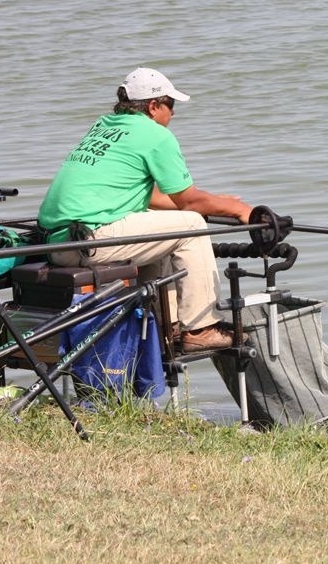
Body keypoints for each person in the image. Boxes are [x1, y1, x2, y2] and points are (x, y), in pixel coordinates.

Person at [38, 67, 253, 352]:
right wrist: (238, 208)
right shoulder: (155, 135)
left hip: (59, 240)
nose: (173, 114)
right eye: (171, 106)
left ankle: (167, 325)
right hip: (88, 241)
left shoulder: (105, 125)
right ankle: (200, 328)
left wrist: (216, 201)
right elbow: (188, 203)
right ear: (153, 106)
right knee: (191, 224)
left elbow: (150, 197)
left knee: (167, 223)